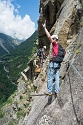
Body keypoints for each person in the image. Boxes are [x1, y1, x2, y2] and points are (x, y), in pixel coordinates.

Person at [42, 21, 60, 97]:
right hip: (58, 63)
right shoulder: (59, 46)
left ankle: (49, 91)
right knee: (57, 77)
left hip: (53, 63)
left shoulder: (54, 43)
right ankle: (57, 91)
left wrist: (44, 28)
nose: (52, 39)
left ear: (55, 39)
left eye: (53, 38)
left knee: (50, 77)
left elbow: (49, 36)